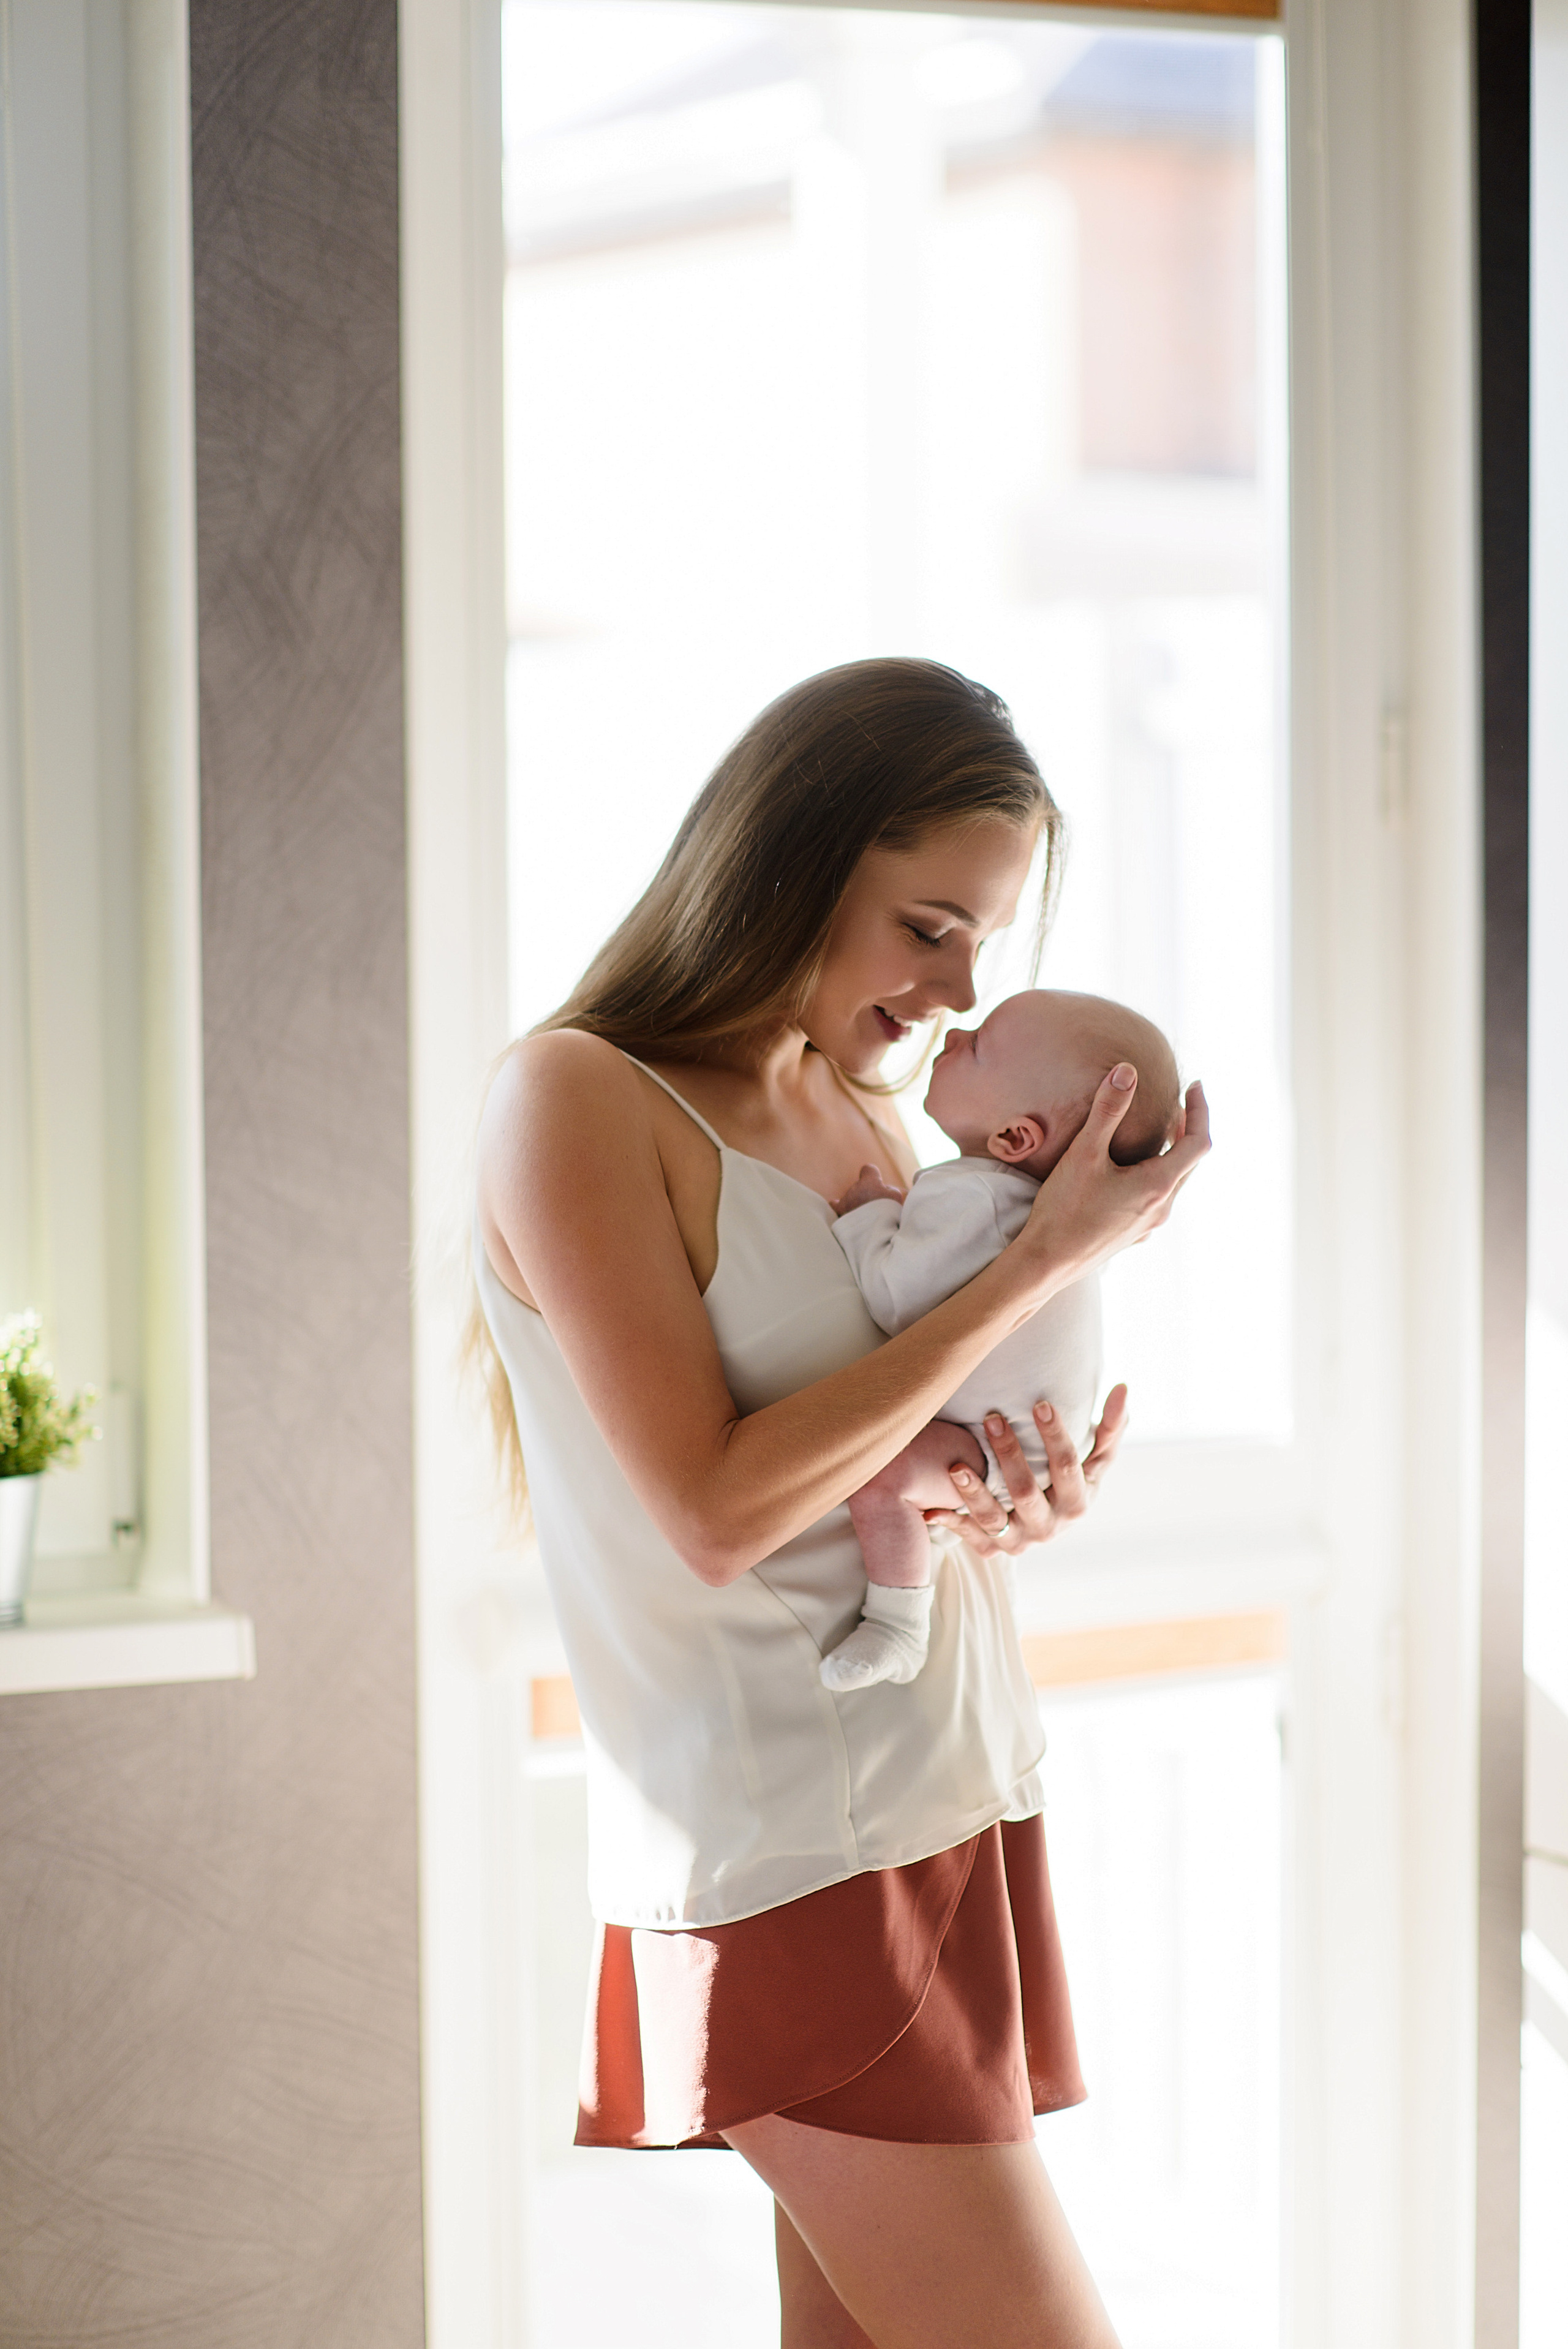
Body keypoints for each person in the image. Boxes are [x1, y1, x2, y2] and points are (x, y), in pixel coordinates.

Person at [472, 658, 1209, 2349]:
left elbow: (882, 1461)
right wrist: (1041, 1262)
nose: (958, 992)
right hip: (799, 1842)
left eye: (986, 946)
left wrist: (1009, 1501)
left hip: (944, 1796)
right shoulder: (579, 1100)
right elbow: (720, 1514)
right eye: (930, 925)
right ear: (795, 857)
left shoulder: (870, 1116)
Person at [820, 989, 1181, 1692]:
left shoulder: (975, 1196)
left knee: (882, 1477)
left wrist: (869, 1217)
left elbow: (895, 1300)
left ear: (1015, 1139)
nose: (953, 1034)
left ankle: (898, 1623)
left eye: (977, 1044)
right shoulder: (1027, 1210)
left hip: (990, 1447)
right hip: (1031, 1452)